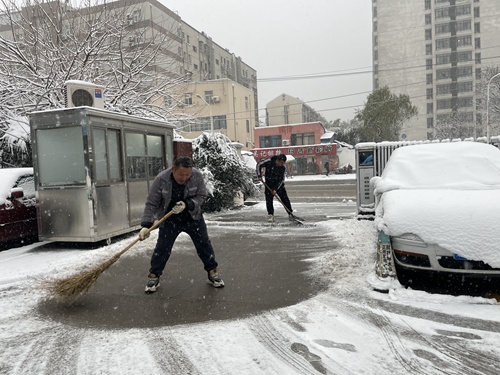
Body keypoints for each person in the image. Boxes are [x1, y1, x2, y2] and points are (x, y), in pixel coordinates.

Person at [138, 156, 224, 294]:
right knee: (162, 248)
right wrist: (146, 225)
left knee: (204, 245)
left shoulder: (196, 176)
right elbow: (152, 203)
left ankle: (212, 272)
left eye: (187, 175)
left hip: (192, 217)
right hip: (170, 219)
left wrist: (188, 204)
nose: (184, 178)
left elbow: (202, 195)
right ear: (173, 170)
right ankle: (154, 276)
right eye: (181, 174)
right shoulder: (162, 179)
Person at [256, 153, 294, 223]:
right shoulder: (269, 162)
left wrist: (275, 189)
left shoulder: (283, 167)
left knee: (285, 199)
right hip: (268, 184)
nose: (282, 164)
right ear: (278, 160)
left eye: (283, 163)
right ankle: (271, 215)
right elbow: (259, 165)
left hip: (279, 186)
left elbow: (281, 180)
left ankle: (290, 213)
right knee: (269, 201)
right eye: (281, 162)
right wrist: (259, 175)